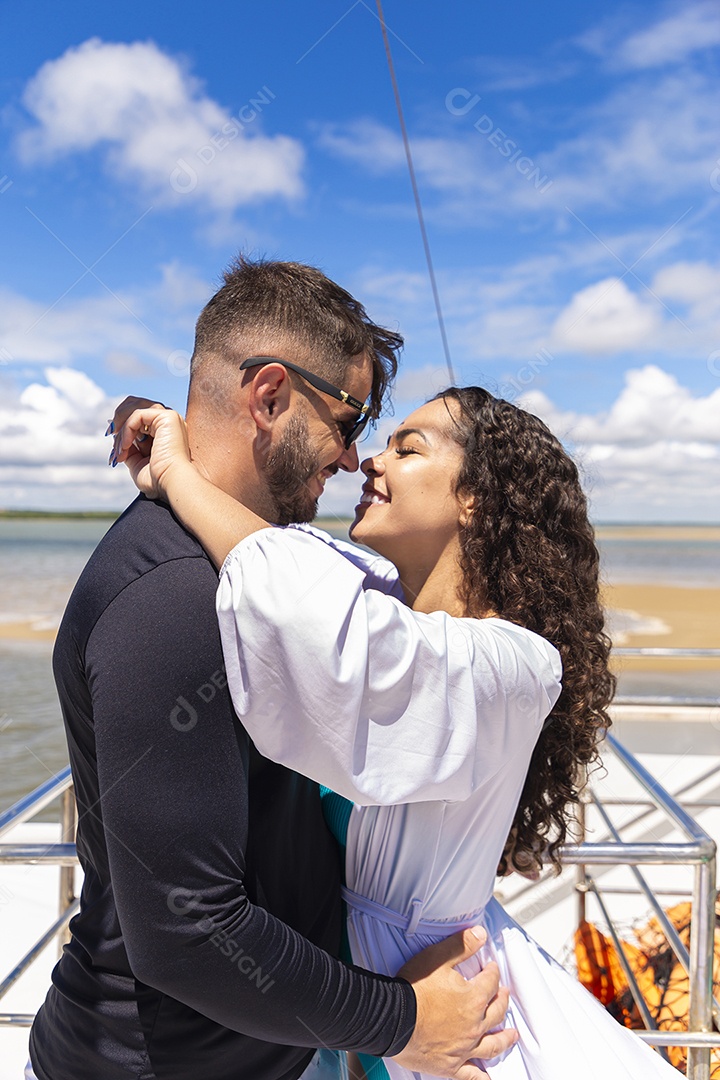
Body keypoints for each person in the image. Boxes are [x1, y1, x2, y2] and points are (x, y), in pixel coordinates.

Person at [28, 258, 516, 1080]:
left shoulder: (250, 570)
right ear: (270, 397)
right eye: (352, 417)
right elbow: (189, 936)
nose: (357, 456)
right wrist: (405, 1024)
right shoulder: (173, 599)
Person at [109, 384, 683, 1080]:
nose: (369, 462)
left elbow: (288, 589)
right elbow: (277, 552)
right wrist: (184, 446)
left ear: (476, 496)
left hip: (440, 1008)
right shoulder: (380, 595)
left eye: (407, 449)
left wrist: (174, 473)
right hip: (353, 998)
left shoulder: (517, 663)